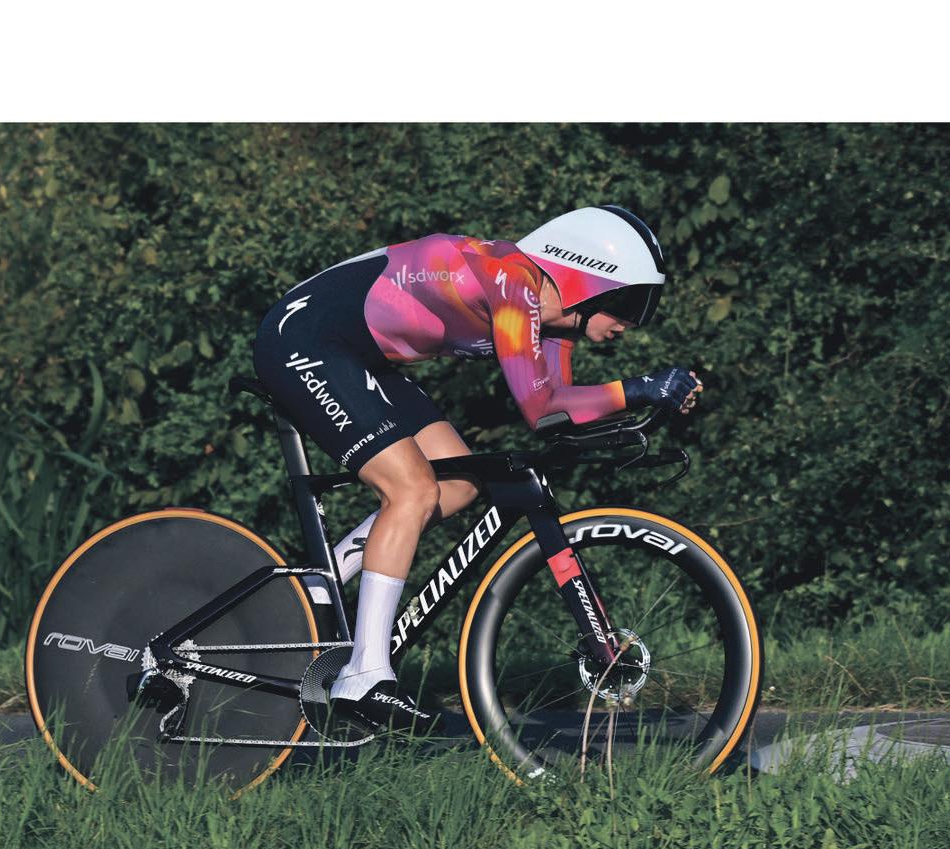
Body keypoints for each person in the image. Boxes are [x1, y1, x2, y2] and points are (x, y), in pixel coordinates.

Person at [251, 205, 701, 732]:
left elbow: (554, 415)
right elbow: (540, 406)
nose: (632, 322)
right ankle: (364, 675)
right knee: (413, 489)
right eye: (628, 302)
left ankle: (317, 585)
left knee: (459, 484)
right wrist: (640, 389)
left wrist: (635, 416)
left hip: (361, 354)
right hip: (307, 336)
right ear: (586, 280)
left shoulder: (553, 326)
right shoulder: (512, 281)